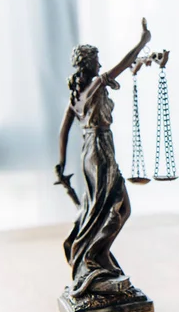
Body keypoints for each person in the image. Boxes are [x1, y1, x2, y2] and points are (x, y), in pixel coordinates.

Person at [55, 19, 151, 298]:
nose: (100, 65)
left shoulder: (76, 96)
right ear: (90, 65)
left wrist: (60, 166)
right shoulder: (96, 84)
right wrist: (143, 41)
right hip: (101, 150)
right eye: (97, 61)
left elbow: (63, 130)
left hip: (90, 151)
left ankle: (98, 255)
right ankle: (95, 258)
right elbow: (123, 63)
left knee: (104, 208)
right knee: (117, 208)